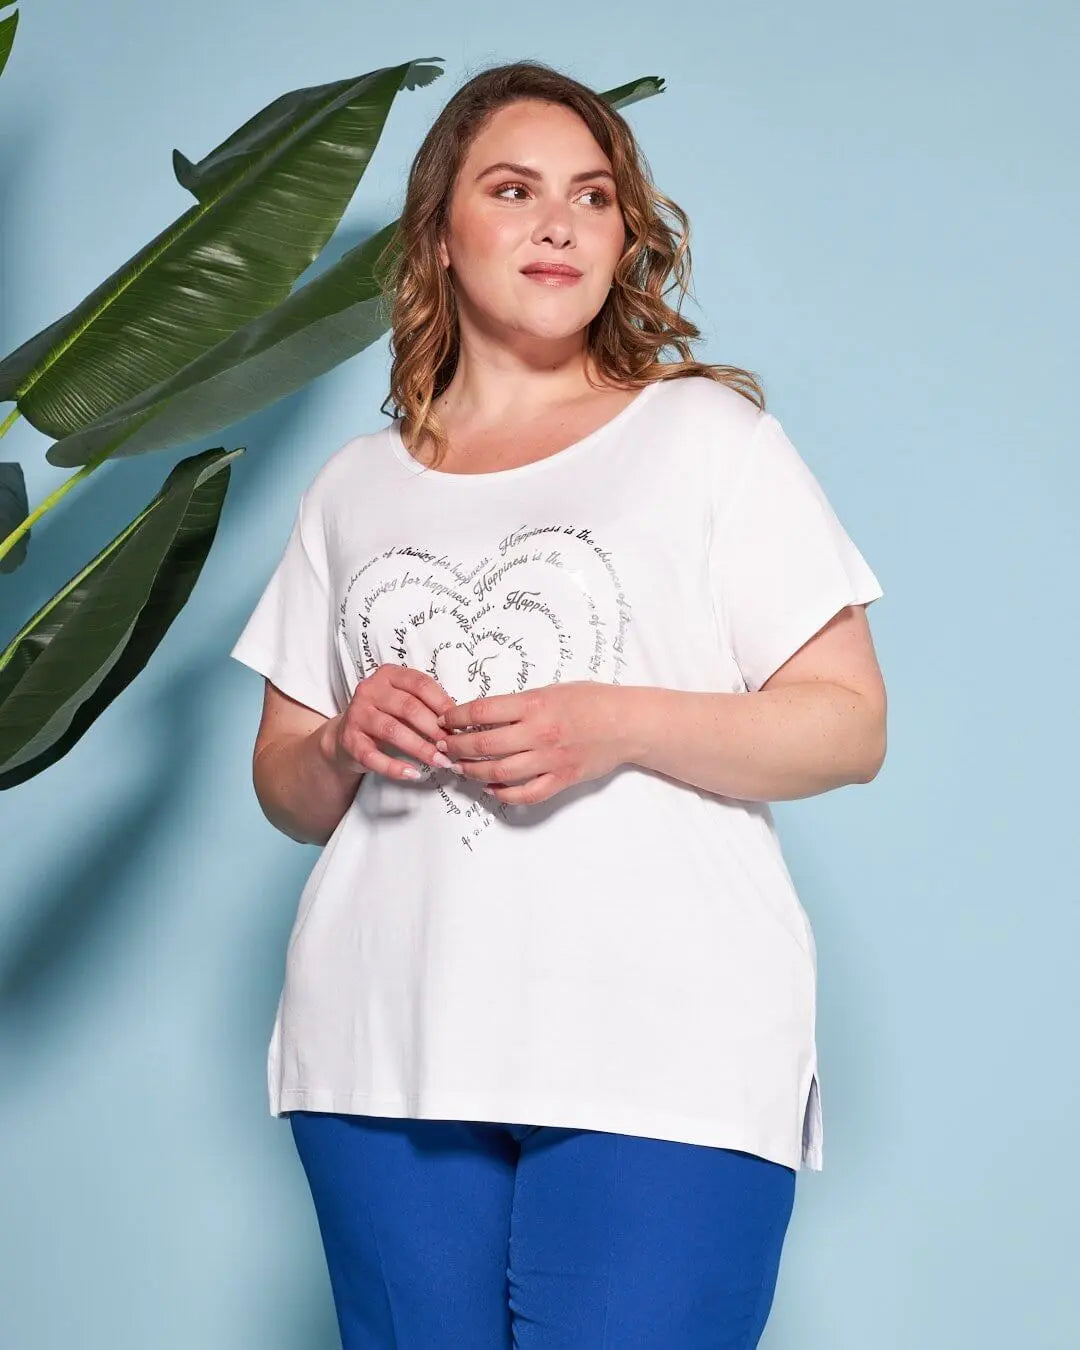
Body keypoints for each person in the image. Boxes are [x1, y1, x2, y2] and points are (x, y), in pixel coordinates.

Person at [229, 59, 887, 1350]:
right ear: (439, 233)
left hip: (666, 1040)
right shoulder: (356, 485)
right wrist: (347, 738)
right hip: (380, 1045)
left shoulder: (706, 439)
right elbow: (286, 786)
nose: (559, 224)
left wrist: (616, 721)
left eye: (592, 196)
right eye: (513, 189)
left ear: (624, 235)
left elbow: (848, 723)